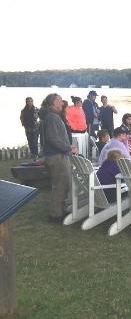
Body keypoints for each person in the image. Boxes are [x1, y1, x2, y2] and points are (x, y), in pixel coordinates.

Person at [39, 93, 76, 223]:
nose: (62, 103)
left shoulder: (51, 116)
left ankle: (59, 210)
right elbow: (52, 138)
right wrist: (68, 148)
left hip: (56, 155)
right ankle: (55, 215)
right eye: (60, 101)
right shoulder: (52, 117)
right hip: (57, 156)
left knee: (61, 184)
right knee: (61, 185)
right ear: (53, 102)